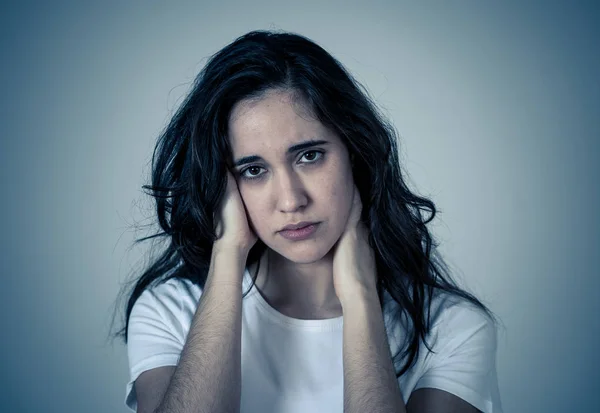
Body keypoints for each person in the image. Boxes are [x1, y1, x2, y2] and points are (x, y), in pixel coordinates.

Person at [118, 30, 503, 413]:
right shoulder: (170, 313)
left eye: (309, 156)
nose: (291, 200)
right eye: (253, 170)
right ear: (224, 186)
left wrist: (359, 297)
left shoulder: (451, 329)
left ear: (355, 152)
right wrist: (227, 251)